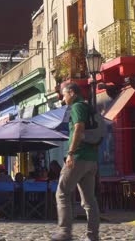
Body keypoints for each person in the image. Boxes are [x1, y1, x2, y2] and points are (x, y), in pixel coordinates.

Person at [52, 82, 100, 241]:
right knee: (89, 200)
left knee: (62, 192)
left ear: (72, 93)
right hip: (91, 159)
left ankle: (64, 232)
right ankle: (92, 236)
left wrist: (71, 153)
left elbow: (78, 128)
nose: (63, 98)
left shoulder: (77, 106)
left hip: (79, 157)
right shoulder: (88, 107)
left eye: (64, 94)